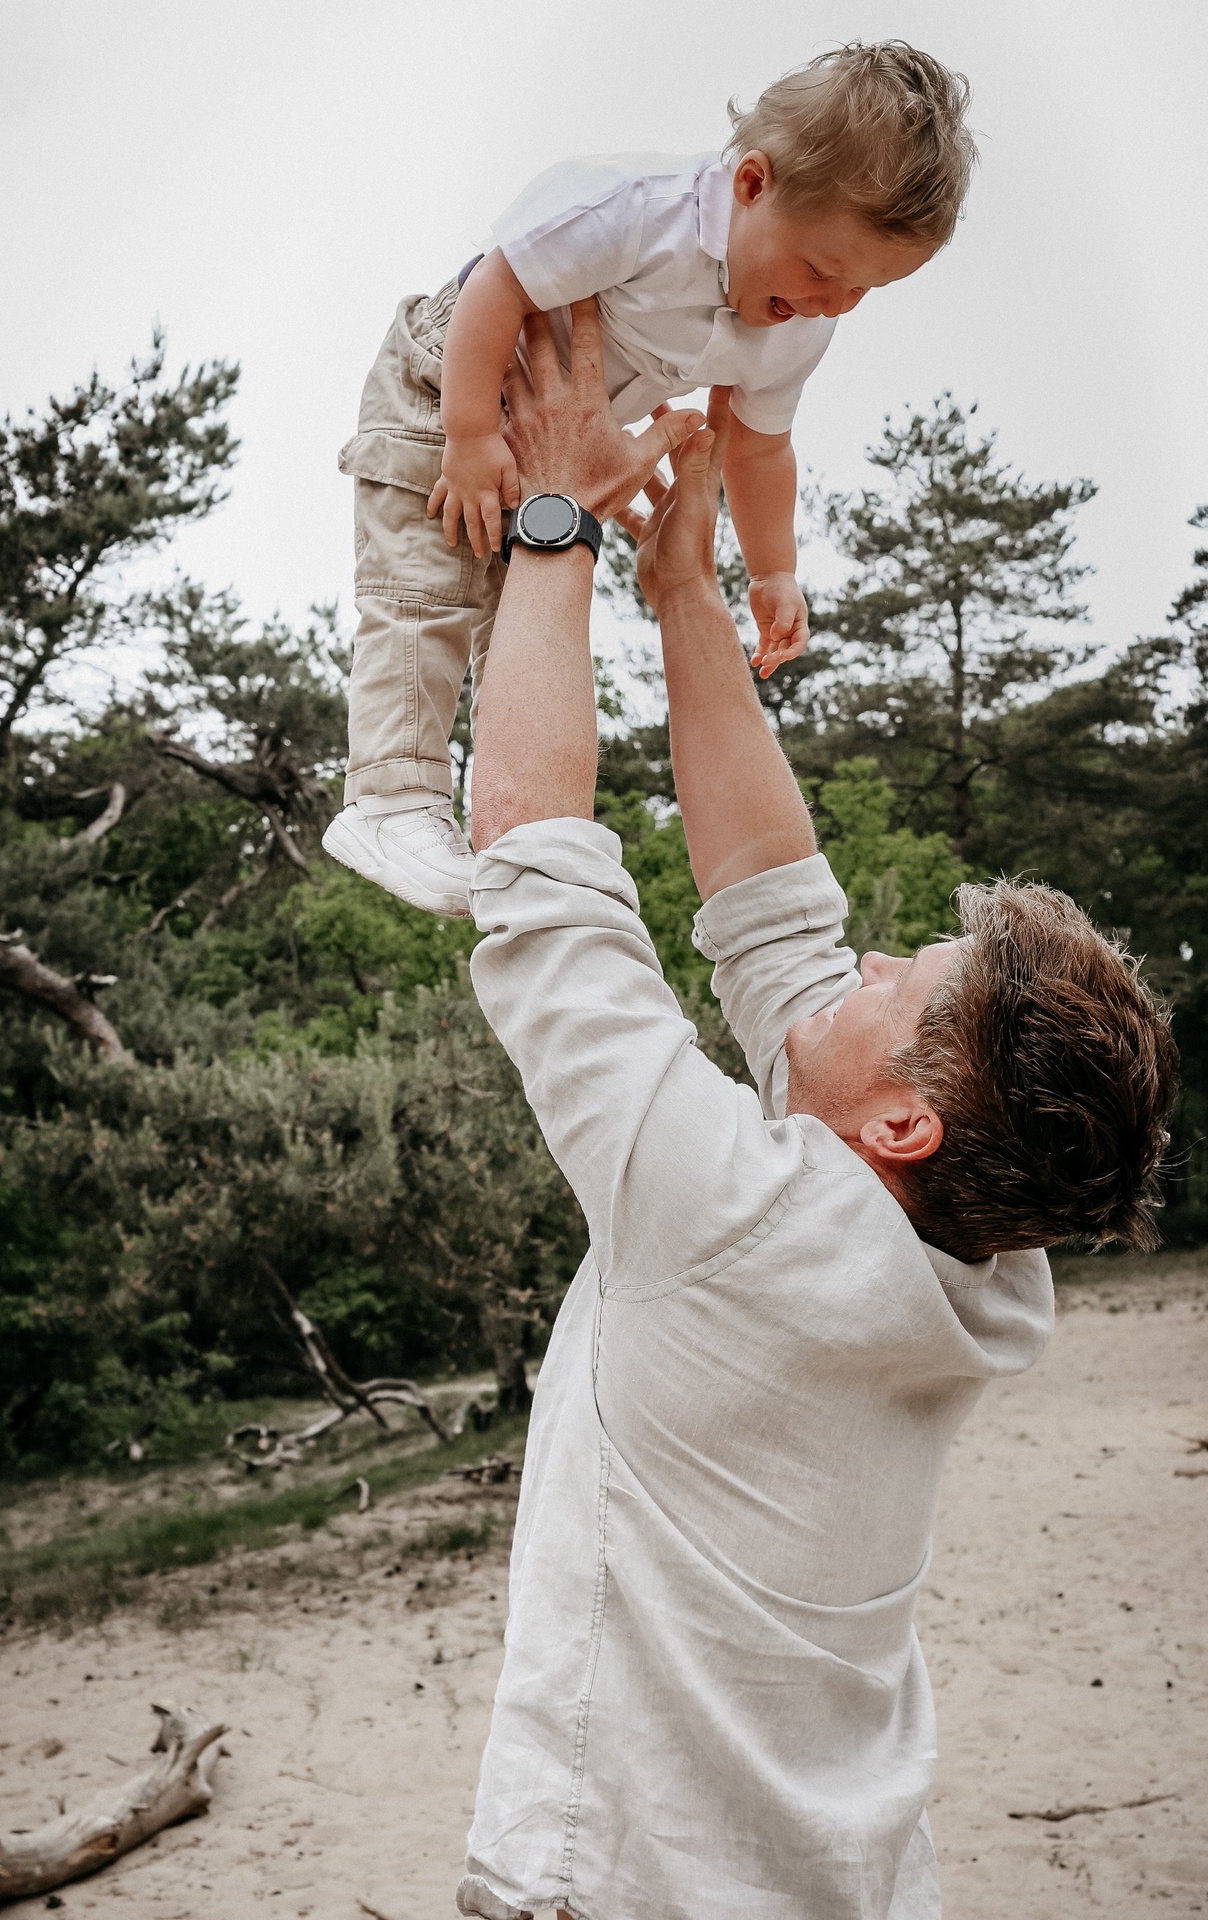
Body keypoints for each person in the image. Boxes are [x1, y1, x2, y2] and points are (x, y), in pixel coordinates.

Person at [451, 303, 1177, 1920]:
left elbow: (532, 854)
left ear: (904, 1121)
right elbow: (775, 914)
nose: (854, 959)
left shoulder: (728, 1220)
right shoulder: (980, 1269)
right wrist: (688, 593)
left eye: (890, 984)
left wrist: (557, 513)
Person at [323, 40, 975, 916]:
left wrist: (773, 569)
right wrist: (470, 436)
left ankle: (500, 828)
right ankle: (390, 797)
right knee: (428, 585)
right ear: (752, 184)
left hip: (554, 443)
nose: (831, 306)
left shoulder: (794, 328)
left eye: (861, 292)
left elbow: (759, 447)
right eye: (822, 271)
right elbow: (495, 286)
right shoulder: (633, 213)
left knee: (521, 617)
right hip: (449, 385)